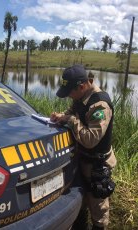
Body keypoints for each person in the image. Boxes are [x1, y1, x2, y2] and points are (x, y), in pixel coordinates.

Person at [50, 64, 117, 230]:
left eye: (70, 93)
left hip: (97, 165)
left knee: (98, 208)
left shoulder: (99, 105)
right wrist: (61, 117)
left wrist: (71, 121)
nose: (69, 97)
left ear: (82, 86)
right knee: (81, 202)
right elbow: (71, 112)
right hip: (82, 159)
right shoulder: (79, 98)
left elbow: (90, 139)